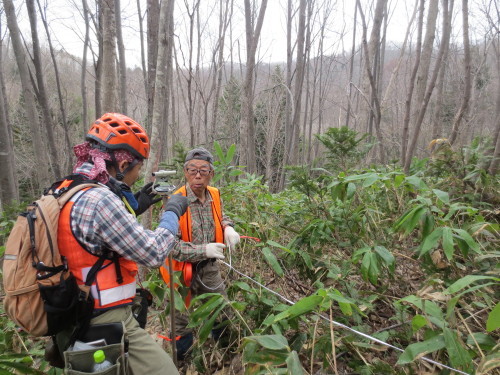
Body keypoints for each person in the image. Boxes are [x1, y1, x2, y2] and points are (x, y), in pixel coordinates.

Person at [54, 113, 195, 374]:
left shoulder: (64, 189)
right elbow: (153, 253)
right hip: (102, 318)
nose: (137, 175)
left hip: (68, 312)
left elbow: (89, 238)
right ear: (122, 164)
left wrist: (136, 204)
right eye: (138, 168)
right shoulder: (100, 199)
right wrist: (172, 213)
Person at [160, 147, 241, 362]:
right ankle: (181, 363)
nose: (197, 176)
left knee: (221, 311)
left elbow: (222, 215)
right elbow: (170, 245)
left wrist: (228, 227)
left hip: (208, 267)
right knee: (179, 322)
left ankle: (227, 356)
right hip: (180, 271)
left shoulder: (214, 195)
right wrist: (203, 249)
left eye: (203, 171)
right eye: (192, 170)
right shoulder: (175, 201)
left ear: (211, 173)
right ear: (185, 172)